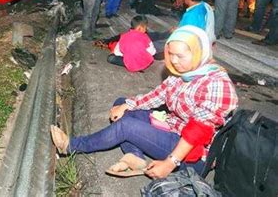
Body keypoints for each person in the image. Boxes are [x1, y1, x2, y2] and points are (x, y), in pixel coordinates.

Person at [51, 26, 238, 179]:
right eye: (170, 53)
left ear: (200, 53)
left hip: (191, 152)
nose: (173, 60)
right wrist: (127, 105)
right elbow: (157, 96)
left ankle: (71, 146)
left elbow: (198, 131)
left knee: (126, 126)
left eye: (180, 56)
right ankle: (135, 157)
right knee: (122, 103)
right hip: (174, 127)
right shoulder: (183, 74)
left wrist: (170, 162)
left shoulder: (217, 83)